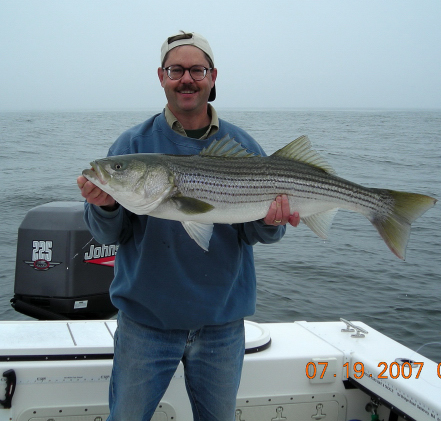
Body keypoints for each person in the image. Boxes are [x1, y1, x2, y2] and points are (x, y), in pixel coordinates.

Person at [77, 31, 300, 421]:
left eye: (197, 70)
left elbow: (258, 233)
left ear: (213, 76)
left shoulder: (242, 143)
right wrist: (107, 206)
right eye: (175, 69)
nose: (186, 79)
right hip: (145, 324)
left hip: (221, 325)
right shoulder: (131, 145)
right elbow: (108, 235)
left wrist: (270, 221)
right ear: (161, 77)